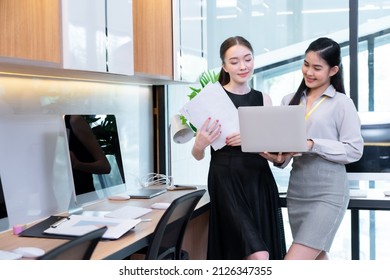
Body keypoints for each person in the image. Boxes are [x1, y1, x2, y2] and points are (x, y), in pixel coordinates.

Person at [262, 37, 364, 260]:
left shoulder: (342, 103)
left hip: (329, 193)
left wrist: (312, 144)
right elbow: (285, 157)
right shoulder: (289, 100)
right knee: (316, 260)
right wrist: (276, 156)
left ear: (333, 70)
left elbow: (354, 150)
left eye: (317, 68)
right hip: (298, 191)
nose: (309, 72)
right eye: (306, 64)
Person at [191, 36, 286, 260]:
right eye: (234, 62)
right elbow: (197, 155)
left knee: (260, 253)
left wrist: (252, 139)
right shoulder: (211, 98)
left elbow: (273, 154)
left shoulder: (264, 99)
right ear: (224, 66)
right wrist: (199, 144)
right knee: (257, 255)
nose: (242, 66)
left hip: (259, 180)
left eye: (247, 59)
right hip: (226, 182)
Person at [65, 115, 111, 195]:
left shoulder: (74, 120)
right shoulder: (44, 125)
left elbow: (105, 167)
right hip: (56, 200)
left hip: (83, 197)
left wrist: (78, 165)